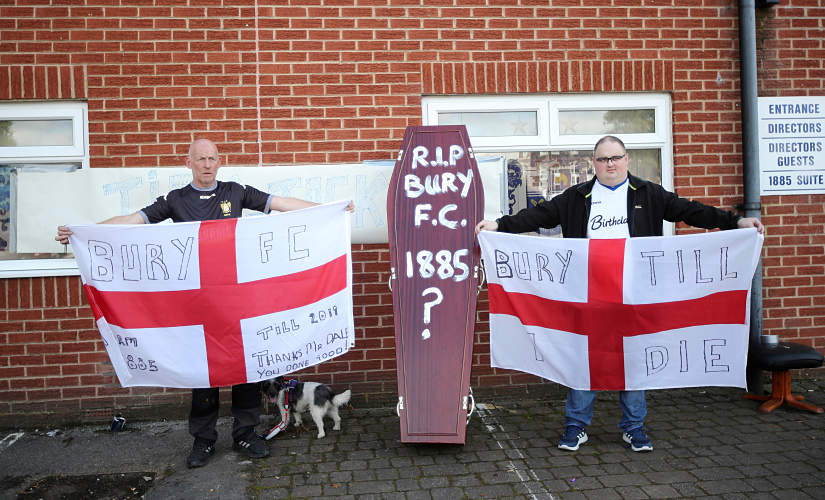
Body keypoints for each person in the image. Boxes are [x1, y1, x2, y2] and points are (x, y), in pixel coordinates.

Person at [56, 138, 354, 468]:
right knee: (203, 376)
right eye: (201, 159)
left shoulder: (236, 192)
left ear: (219, 161)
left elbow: (281, 203)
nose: (207, 164)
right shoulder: (175, 200)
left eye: (212, 158)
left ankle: (245, 433)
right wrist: (83, 232)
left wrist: (332, 210)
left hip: (238, 304)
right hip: (198, 308)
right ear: (189, 162)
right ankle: (204, 440)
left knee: (247, 370)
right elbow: (134, 221)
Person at [475, 135, 764, 453]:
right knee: (584, 359)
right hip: (589, 295)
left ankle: (634, 428)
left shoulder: (648, 193)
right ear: (594, 163)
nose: (610, 164)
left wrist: (735, 222)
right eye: (602, 159)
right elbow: (538, 215)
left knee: (634, 359)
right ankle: (576, 426)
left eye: (615, 158)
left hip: (635, 295)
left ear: (627, 160)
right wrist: (500, 227)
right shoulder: (577, 196)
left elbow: (690, 211)